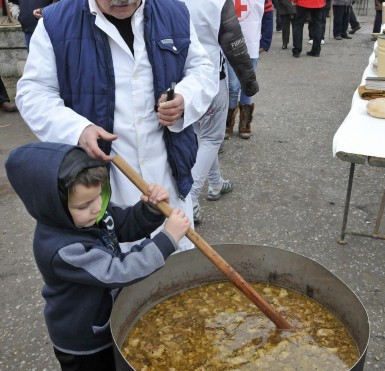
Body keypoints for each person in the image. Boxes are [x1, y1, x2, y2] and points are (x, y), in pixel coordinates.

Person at [5, 141, 191, 371]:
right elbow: (120, 270)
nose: (96, 210)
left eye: (100, 197)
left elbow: (125, 223)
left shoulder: (92, 214)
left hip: (104, 323)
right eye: (84, 205)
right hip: (82, 340)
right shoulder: (61, 249)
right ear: (50, 206)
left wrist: (150, 211)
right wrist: (167, 240)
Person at [15, 0, 217, 252]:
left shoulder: (174, 11)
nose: (122, 1)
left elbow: (201, 69)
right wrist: (77, 128)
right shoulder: (56, 23)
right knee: (123, 274)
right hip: (105, 184)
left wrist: (185, 98)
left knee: (180, 271)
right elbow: (33, 92)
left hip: (168, 174)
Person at [181, 0, 259, 224]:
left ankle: (216, 183)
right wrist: (249, 83)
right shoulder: (216, 1)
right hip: (210, 78)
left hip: (180, 80)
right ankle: (191, 198)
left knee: (202, 135)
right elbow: (234, 42)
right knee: (212, 138)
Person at [225, 0, 273, 140]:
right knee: (232, 86)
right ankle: (228, 122)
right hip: (230, 44)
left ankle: (245, 122)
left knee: (248, 84)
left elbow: (268, 16)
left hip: (252, 44)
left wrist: (265, 41)